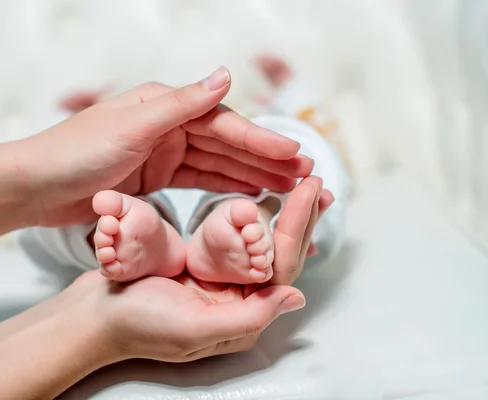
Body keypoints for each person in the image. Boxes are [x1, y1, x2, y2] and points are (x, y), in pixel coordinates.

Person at [0, 67, 331, 399]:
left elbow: (54, 143)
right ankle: (245, 224)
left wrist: (44, 162)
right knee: (308, 157)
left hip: (140, 194)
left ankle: (207, 229)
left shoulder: (262, 120)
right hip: (187, 187)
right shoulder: (270, 122)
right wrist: (293, 93)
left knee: (87, 222)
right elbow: (316, 121)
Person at [21, 55, 349, 286]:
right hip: (136, 172)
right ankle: (251, 217)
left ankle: (112, 235)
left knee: (285, 153)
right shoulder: (118, 128)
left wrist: (63, 116)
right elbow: (320, 127)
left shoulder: (254, 114)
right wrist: (290, 88)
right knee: (304, 151)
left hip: (239, 168)